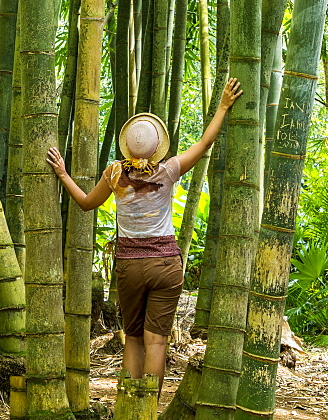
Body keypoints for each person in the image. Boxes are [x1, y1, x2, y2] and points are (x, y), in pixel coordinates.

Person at [46, 78, 242, 394]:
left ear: (128, 145)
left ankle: (127, 414)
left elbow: (85, 204)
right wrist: (222, 106)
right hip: (165, 265)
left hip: (129, 267)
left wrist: (64, 175)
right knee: (157, 341)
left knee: (133, 337)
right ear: (157, 146)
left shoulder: (114, 173)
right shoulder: (169, 170)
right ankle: (147, 413)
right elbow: (205, 143)